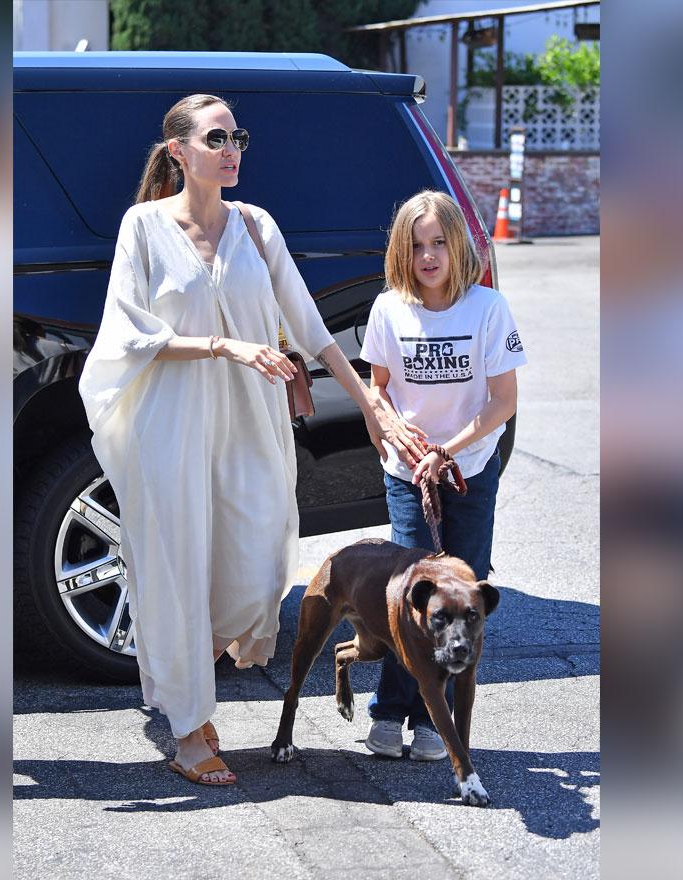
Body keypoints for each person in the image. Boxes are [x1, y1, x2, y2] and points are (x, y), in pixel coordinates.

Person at [77, 94, 424, 786]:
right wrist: (226, 347)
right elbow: (127, 334)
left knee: (262, 566)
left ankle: (183, 688)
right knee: (176, 570)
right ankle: (187, 725)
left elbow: (314, 330)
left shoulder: (257, 226)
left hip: (250, 424)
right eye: (216, 137)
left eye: (238, 136)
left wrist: (375, 411)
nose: (232, 147)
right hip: (169, 424)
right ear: (178, 152)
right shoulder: (143, 227)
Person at [359, 190, 527, 760]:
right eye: (415, 245)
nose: (427, 256)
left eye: (437, 243)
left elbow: (503, 401)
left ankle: (436, 722)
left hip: (470, 469)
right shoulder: (389, 309)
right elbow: (376, 387)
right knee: (411, 591)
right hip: (408, 472)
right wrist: (393, 430)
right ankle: (390, 710)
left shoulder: (487, 309)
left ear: (457, 246)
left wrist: (448, 451)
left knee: (464, 587)